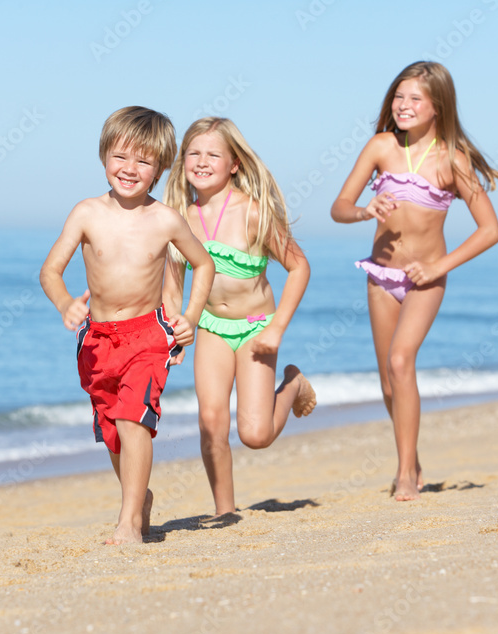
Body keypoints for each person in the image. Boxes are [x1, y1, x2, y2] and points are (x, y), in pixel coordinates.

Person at [331, 62, 498, 502]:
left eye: (415, 99)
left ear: (437, 107)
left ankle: (406, 473)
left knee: (401, 362)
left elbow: (490, 230)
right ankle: (412, 458)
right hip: (379, 275)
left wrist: (439, 267)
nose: (403, 106)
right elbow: (339, 207)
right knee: (389, 381)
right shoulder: (381, 146)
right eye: (398, 96)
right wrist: (364, 211)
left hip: (425, 281)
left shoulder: (452, 160)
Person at [40, 106, 215, 544]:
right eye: (121, 157)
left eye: (144, 160)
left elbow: (204, 264)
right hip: (97, 341)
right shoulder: (86, 213)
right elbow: (50, 271)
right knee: (115, 431)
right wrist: (65, 303)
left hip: (147, 336)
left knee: (135, 421)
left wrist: (189, 317)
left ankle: (127, 523)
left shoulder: (165, 219)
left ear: (159, 167)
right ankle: (140, 500)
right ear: (104, 157)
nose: (130, 169)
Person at [162, 117, 315, 518]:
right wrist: (174, 331)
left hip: (255, 330)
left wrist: (278, 326)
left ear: (234, 164)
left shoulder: (253, 213)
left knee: (256, 434)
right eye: (193, 153)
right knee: (211, 422)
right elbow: (173, 284)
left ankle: (294, 384)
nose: (201, 160)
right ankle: (224, 511)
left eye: (213, 153)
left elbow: (299, 268)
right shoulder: (179, 217)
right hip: (210, 327)